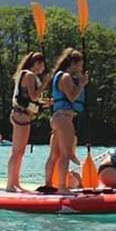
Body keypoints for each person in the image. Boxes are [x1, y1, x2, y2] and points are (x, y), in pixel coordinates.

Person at [42, 49, 88, 194]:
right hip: (63, 118)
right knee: (65, 154)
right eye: (80, 65)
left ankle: (48, 184)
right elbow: (72, 97)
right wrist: (81, 84)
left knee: (54, 154)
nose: (81, 68)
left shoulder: (60, 75)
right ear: (73, 63)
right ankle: (62, 187)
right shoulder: (66, 77)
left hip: (57, 118)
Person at [6, 52, 51, 192]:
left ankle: (14, 183)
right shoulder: (30, 75)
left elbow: (29, 98)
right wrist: (44, 83)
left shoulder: (24, 74)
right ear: (37, 63)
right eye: (42, 64)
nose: (43, 67)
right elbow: (34, 95)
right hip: (22, 116)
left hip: (20, 114)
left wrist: (43, 103)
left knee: (19, 151)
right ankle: (11, 184)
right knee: (18, 151)